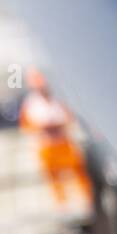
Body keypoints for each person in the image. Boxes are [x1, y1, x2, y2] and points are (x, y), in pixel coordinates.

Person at [19, 67, 94, 209]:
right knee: (53, 177)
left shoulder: (59, 99)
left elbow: (70, 116)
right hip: (46, 146)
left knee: (79, 173)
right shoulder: (30, 104)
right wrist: (42, 128)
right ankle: (62, 203)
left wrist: (59, 124)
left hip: (64, 143)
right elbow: (26, 126)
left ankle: (88, 200)